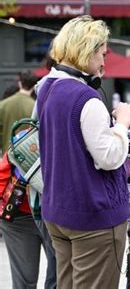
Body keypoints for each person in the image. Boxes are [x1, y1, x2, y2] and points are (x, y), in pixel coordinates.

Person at [36, 15, 130, 288]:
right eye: (102, 53)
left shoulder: (47, 87)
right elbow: (109, 158)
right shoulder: (86, 98)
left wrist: (116, 125)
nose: (105, 62)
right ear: (87, 50)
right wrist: (123, 123)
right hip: (93, 217)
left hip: (58, 211)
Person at [0, 71, 57, 289]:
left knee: (24, 280)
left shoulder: (5, 106)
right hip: (46, 214)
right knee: (58, 276)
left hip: (19, 213)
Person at [0, 72, 38, 153]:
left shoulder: (3, 104)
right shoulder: (36, 106)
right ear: (34, 86)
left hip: (7, 153)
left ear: (20, 83)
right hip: (28, 154)